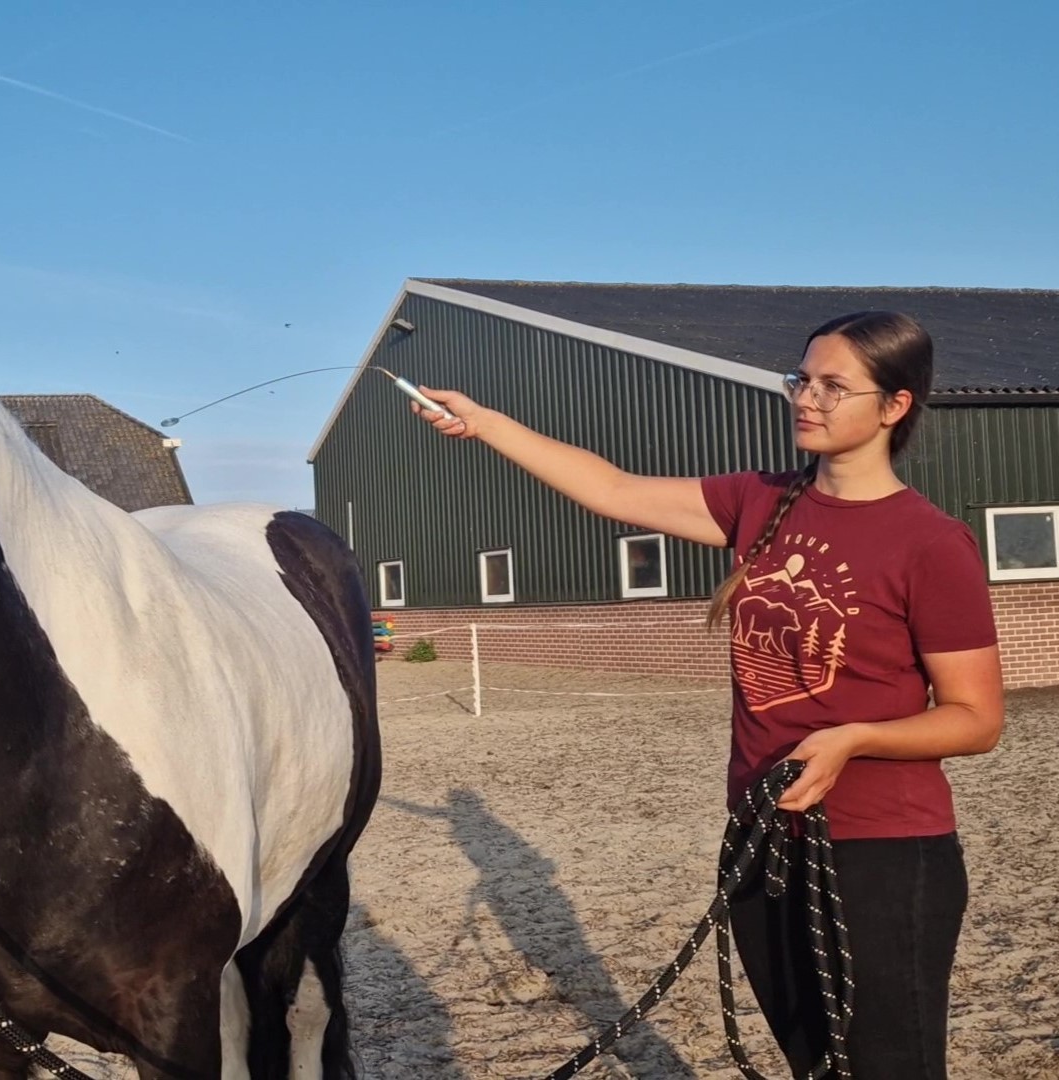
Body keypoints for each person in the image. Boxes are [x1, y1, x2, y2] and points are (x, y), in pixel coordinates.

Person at [412, 311, 1004, 1079]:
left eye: (833, 387)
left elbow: (976, 719)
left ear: (895, 405)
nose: (806, 399)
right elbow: (611, 489)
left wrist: (855, 739)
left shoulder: (930, 542)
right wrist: (485, 422)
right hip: (763, 840)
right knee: (811, 1063)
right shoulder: (759, 500)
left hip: (882, 854)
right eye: (801, 380)